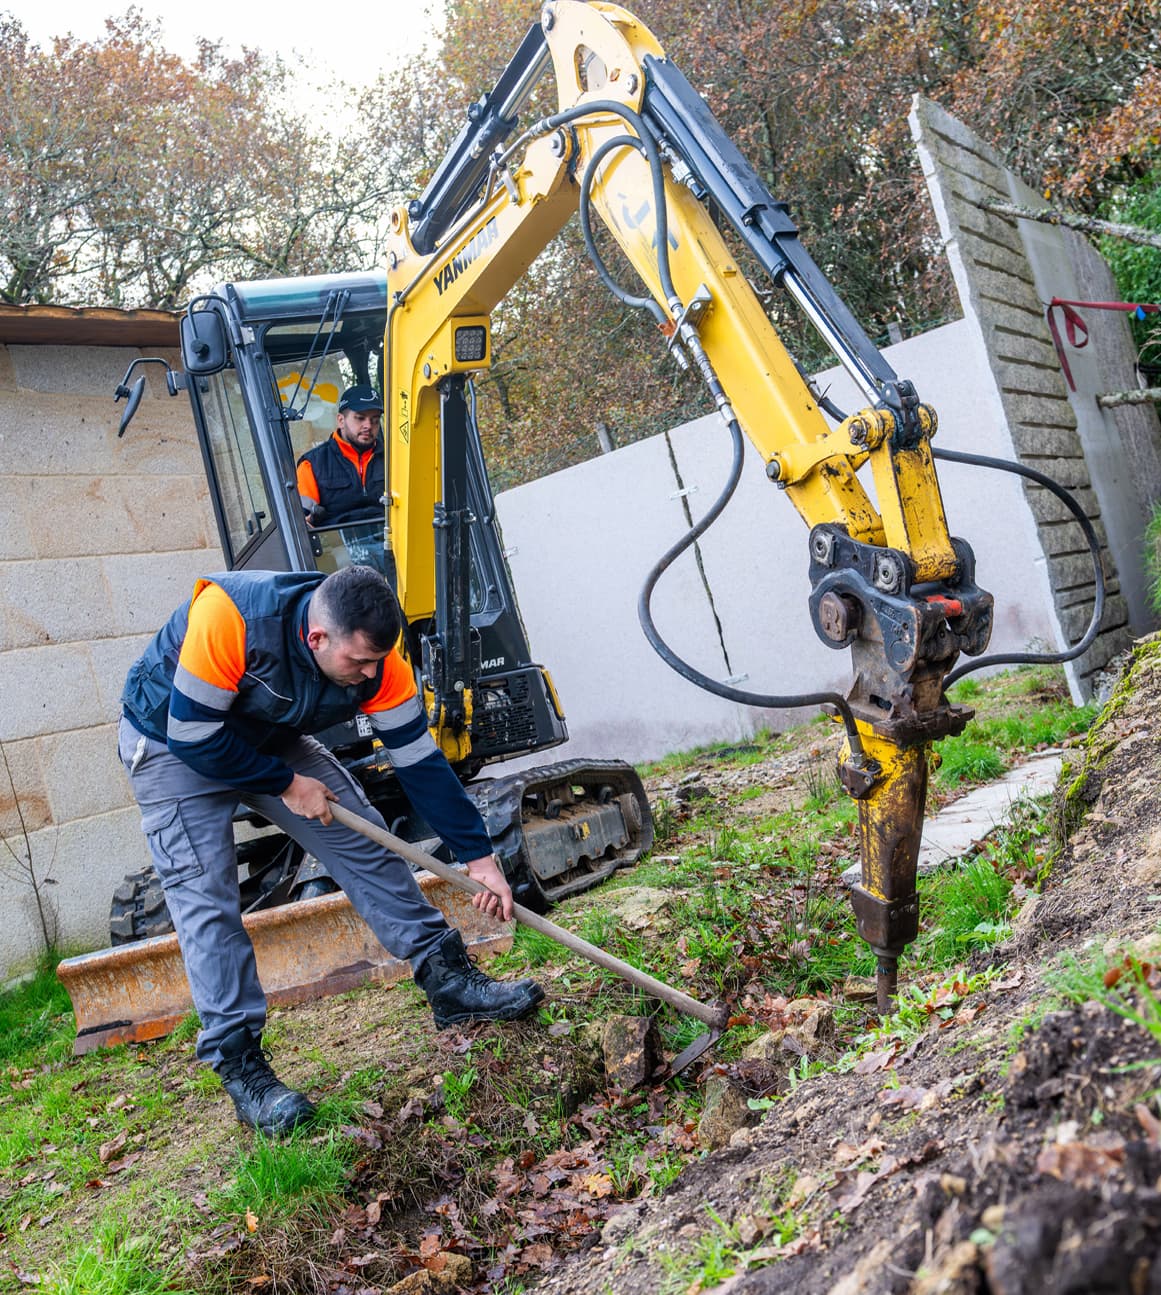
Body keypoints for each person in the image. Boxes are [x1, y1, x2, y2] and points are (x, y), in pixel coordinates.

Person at [118, 564, 544, 1137]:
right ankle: (244, 1071)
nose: (368, 676)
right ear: (317, 638)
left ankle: (448, 981)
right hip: (173, 743)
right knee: (207, 900)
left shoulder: (380, 661)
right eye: (357, 664)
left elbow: (420, 764)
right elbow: (194, 737)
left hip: (264, 734)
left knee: (364, 838)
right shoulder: (231, 618)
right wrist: (288, 784)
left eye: (375, 663)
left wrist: (481, 859)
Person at [296, 384, 385, 527]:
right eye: (360, 418)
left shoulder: (393, 460)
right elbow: (303, 523)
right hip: (337, 547)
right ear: (341, 420)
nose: (368, 425)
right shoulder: (312, 465)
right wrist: (309, 519)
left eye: (375, 420)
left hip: (392, 542)